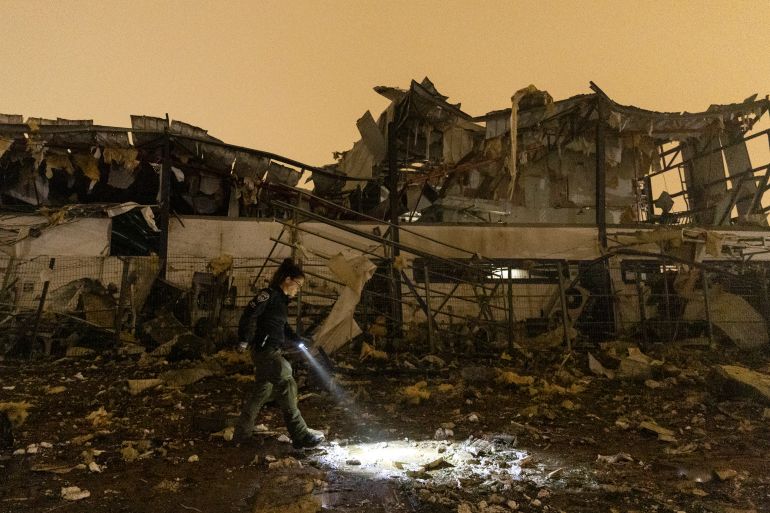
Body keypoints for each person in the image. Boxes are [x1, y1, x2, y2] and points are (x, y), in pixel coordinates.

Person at [234, 258, 323, 449]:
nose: (298, 290)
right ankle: (300, 435)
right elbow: (249, 315)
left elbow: (282, 326)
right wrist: (244, 338)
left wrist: (298, 341)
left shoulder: (281, 302)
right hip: (265, 352)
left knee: (261, 392)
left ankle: (241, 435)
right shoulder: (268, 295)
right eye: (298, 285)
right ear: (288, 279)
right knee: (287, 384)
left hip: (269, 351)